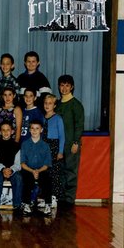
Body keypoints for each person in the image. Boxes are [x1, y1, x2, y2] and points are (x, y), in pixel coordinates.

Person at [55, 75, 84, 207]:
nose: (64, 88)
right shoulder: (57, 104)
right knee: (59, 171)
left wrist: (76, 142)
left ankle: (69, 199)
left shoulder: (76, 105)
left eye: (67, 85)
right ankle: (60, 197)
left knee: (71, 172)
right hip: (59, 145)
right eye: (62, 85)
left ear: (72, 87)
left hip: (71, 145)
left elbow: (79, 125)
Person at [20, 120, 52, 216]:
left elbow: (47, 164)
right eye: (32, 128)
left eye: (37, 128)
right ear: (29, 130)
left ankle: (48, 204)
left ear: (41, 130)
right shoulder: (25, 144)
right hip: (28, 169)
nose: (34, 131)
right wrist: (32, 171)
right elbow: (22, 163)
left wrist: (38, 171)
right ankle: (26, 204)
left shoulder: (45, 146)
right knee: (26, 179)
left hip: (41, 170)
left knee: (47, 178)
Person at [0, 121, 22, 212]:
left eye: (8, 130)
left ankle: (17, 205)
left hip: (13, 170)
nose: (6, 132)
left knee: (18, 178)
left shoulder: (17, 146)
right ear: (0, 132)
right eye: (3, 130)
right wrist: (3, 169)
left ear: (12, 131)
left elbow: (18, 164)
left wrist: (11, 170)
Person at [43, 94, 65, 203]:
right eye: (45, 103)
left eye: (50, 103)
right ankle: (45, 196)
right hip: (44, 146)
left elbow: (62, 136)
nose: (47, 105)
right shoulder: (42, 118)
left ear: (55, 105)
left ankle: (55, 196)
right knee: (45, 172)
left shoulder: (58, 118)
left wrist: (60, 151)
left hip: (54, 146)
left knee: (54, 173)